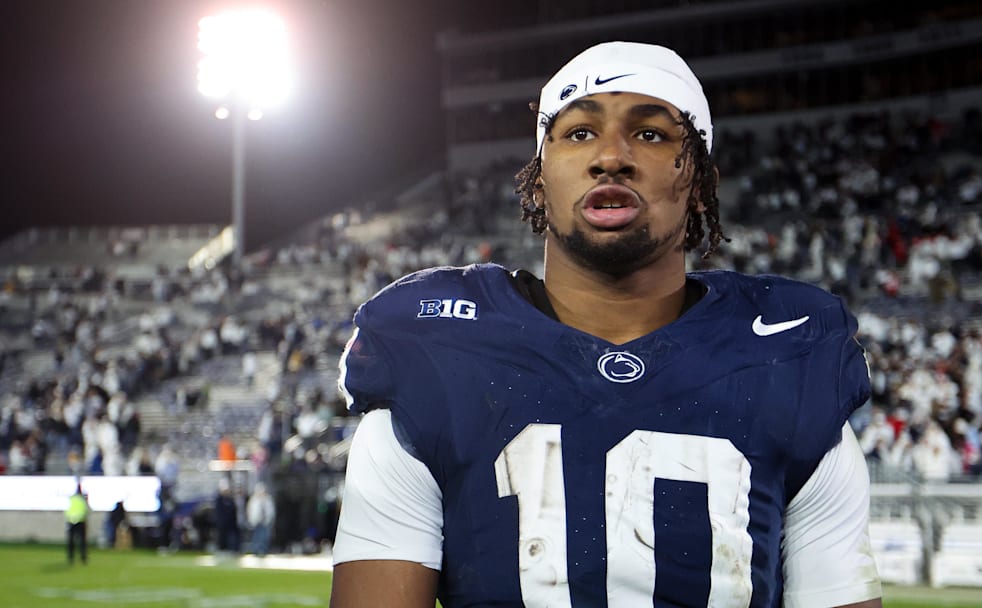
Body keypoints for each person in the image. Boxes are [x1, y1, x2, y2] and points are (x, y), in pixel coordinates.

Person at [330, 41, 882, 608]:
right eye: (578, 133)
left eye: (650, 133)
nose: (611, 156)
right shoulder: (437, 352)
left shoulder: (788, 356)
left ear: (699, 184)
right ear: (540, 180)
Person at [246, 482, 276, 557]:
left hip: (265, 522)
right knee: (256, 537)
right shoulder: (254, 500)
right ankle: (255, 551)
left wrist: (269, 519)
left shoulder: (268, 499)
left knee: (264, 537)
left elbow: (271, 511)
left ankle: (263, 551)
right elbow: (250, 511)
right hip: (256, 522)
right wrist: (251, 520)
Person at [66, 482, 89, 565]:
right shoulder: (83, 500)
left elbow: (68, 509)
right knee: (82, 541)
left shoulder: (72, 499)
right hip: (80, 520)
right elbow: (86, 510)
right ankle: (83, 557)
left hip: (71, 520)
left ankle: (71, 557)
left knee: (71, 541)